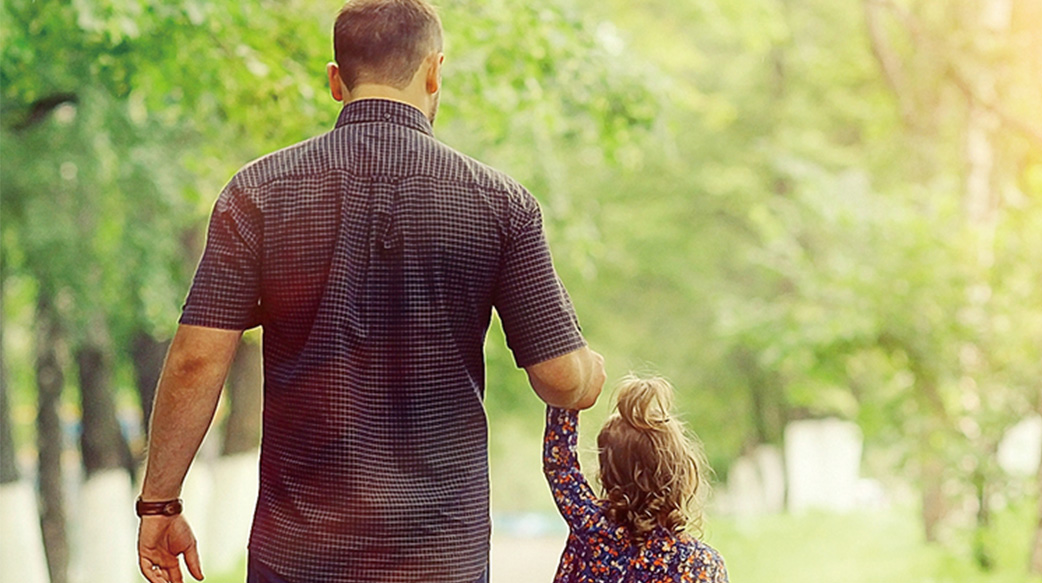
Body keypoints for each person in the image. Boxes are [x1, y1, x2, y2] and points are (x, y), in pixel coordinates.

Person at [135, 1, 606, 582]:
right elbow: (560, 379)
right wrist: (589, 373)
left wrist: (160, 503)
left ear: (336, 80)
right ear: (435, 73)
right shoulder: (500, 205)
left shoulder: (256, 194)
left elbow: (195, 361)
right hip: (438, 554)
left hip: (300, 554)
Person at [543, 375, 728, 583]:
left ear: (605, 476)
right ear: (681, 474)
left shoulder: (592, 528)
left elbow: (559, 464)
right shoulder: (702, 564)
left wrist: (568, 388)